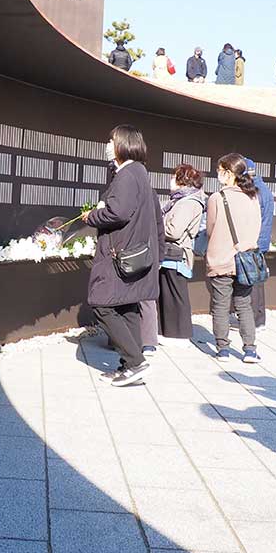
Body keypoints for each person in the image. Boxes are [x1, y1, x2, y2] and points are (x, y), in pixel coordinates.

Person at [82, 125, 163, 387]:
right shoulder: (139, 172)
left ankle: (135, 361)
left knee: (102, 304)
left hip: (120, 255)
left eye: (111, 140)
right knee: (127, 306)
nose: (107, 145)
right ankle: (130, 365)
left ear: (123, 144)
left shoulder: (127, 174)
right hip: (132, 254)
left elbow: (118, 213)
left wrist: (92, 216)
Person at [203, 153, 262, 362]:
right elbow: (257, 228)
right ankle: (250, 349)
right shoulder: (253, 197)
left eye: (220, 170)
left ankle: (223, 349)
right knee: (244, 305)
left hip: (221, 259)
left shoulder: (217, 198)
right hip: (245, 260)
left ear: (228, 173)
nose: (217, 174)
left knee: (220, 305)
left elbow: (210, 229)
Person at [158, 164, 206, 347]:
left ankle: (180, 335)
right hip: (170, 254)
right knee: (168, 294)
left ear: (181, 180)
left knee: (176, 295)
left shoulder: (188, 202)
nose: (170, 180)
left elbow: (174, 230)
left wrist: (158, 225)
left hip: (177, 254)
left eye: (173, 176)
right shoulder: (180, 200)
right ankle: (169, 332)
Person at [244, 157, 274, 328]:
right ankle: (260, 318)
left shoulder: (254, 192)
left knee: (252, 283)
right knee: (258, 282)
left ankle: (254, 320)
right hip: (262, 241)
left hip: (254, 241)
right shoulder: (265, 189)